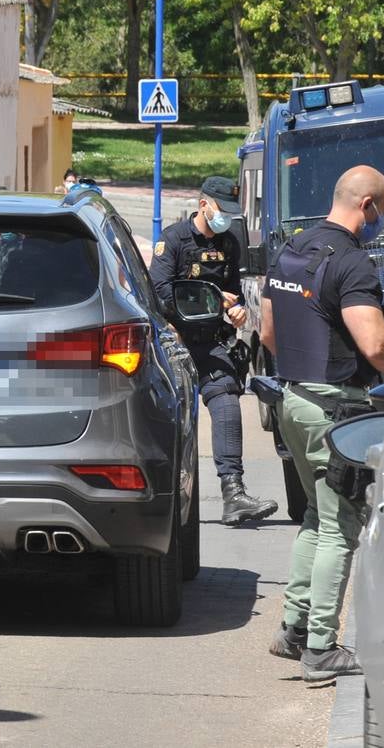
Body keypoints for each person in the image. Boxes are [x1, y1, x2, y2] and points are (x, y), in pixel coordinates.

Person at [262, 165, 384, 682]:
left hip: (294, 399)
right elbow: (376, 346)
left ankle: (294, 628)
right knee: (340, 527)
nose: (381, 221)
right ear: (367, 204)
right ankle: (322, 647)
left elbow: (267, 334)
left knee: (315, 518)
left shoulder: (289, 250)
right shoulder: (352, 264)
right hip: (336, 412)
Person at [151, 176, 278, 525]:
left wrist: (236, 312)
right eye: (222, 210)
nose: (225, 219)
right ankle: (161, 494)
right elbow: (160, 290)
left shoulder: (229, 242)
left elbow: (234, 291)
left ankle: (234, 493)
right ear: (203, 204)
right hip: (175, 342)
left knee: (226, 400)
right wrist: (209, 296)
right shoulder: (174, 240)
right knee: (168, 415)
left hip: (212, 341)